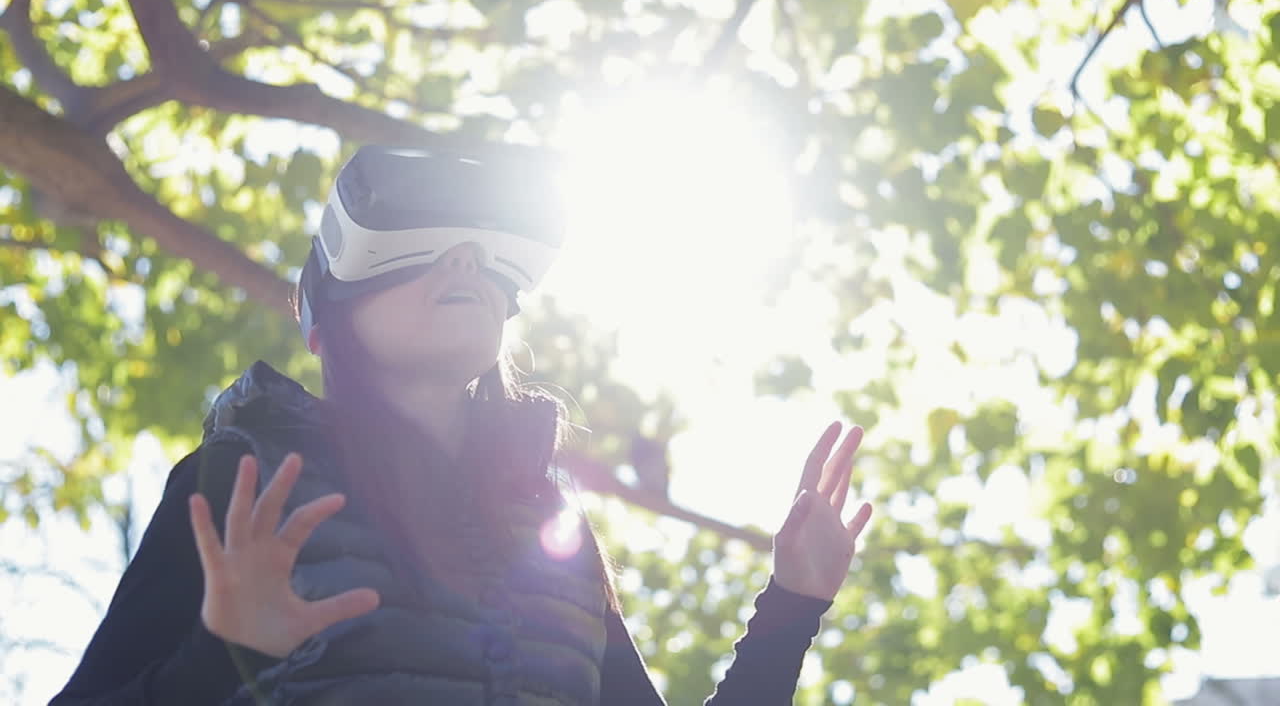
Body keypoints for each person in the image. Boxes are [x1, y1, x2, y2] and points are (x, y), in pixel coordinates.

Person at [49, 145, 874, 706]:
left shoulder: (550, 526)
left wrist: (792, 605)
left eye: (480, 256)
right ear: (320, 320)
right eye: (426, 248)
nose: (464, 266)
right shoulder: (243, 483)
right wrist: (221, 653)